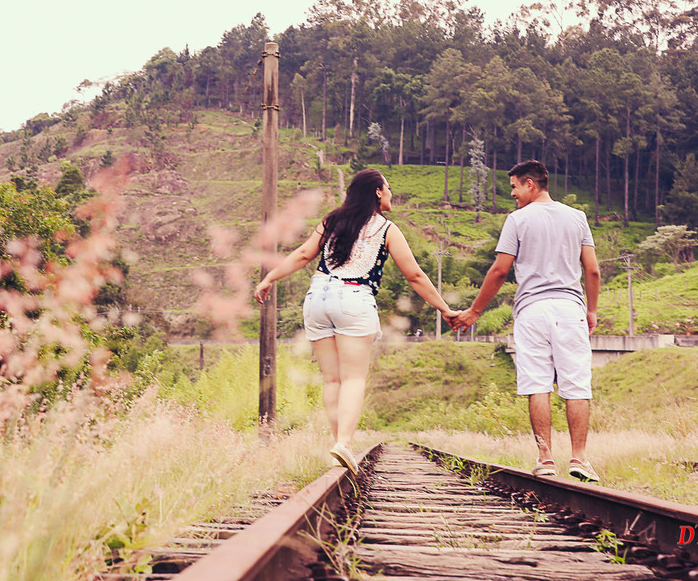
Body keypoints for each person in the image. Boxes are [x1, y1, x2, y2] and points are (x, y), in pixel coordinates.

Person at [253, 169, 455, 474]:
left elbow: (305, 254)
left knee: (333, 380)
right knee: (354, 379)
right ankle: (344, 443)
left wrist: (269, 277)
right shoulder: (386, 229)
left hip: (317, 298)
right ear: (376, 191)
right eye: (388, 188)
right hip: (353, 299)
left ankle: (339, 442)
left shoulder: (332, 220)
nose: (391, 194)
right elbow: (414, 275)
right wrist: (444, 309)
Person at [447, 160, 602, 482]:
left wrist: (474, 311)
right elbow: (593, 270)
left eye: (515, 187)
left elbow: (500, 270)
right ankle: (579, 459)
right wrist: (592, 310)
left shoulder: (517, 220)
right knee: (577, 386)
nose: (513, 194)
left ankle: (545, 458)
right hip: (570, 308)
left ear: (531, 184)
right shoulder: (578, 218)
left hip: (532, 311)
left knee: (538, 385)